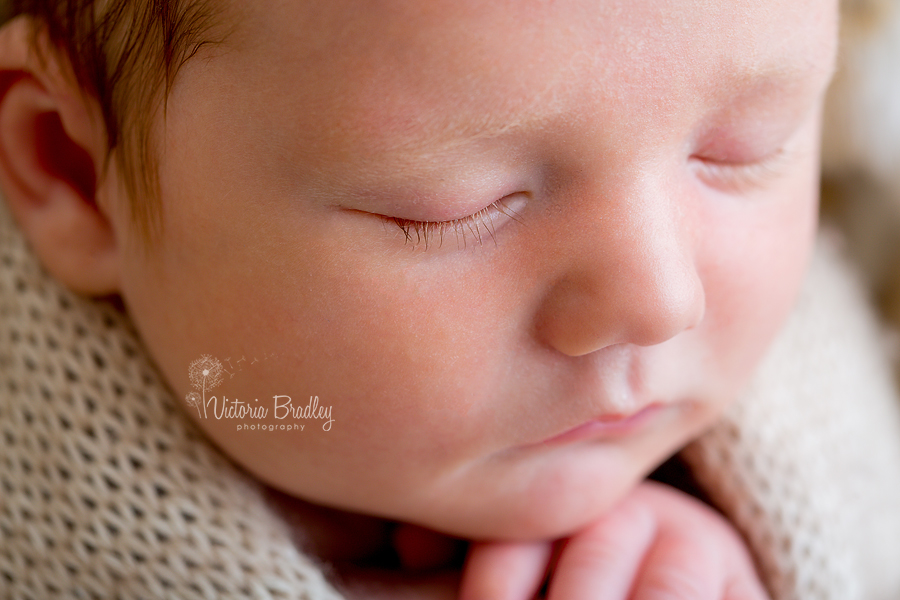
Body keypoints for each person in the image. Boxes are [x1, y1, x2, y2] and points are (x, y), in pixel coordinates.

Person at [2, 0, 889, 598]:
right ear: (78, 173)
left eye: (743, 150)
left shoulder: (818, 421)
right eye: (452, 205)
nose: (657, 301)